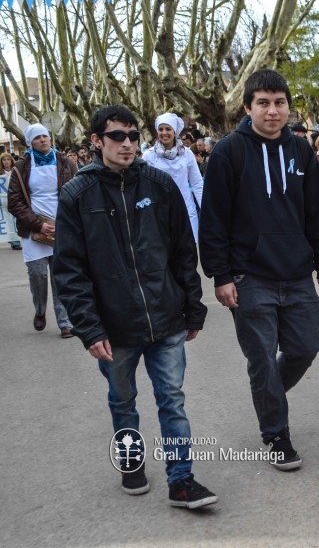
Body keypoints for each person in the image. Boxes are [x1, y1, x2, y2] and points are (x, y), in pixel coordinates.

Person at [53, 105, 216, 508]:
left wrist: (193, 307)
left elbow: (183, 252)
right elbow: (69, 270)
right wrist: (89, 329)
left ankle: (182, 480)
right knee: (122, 401)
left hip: (165, 317)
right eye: (117, 137)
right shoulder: (77, 194)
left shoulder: (159, 185)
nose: (127, 144)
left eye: (132, 136)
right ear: (96, 141)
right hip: (114, 326)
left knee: (172, 400)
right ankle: (131, 461)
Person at [199, 69, 319, 470]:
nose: (272, 111)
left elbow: (316, 214)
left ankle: (267, 393)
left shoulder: (301, 151)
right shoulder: (229, 152)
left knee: (305, 348)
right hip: (249, 276)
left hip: (296, 274)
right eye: (263, 103)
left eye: (279, 102)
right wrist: (220, 275)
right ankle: (276, 434)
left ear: (288, 107)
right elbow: (213, 221)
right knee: (261, 357)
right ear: (248, 107)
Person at [7, 123, 76, 338]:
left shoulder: (67, 163)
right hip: (34, 230)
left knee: (60, 277)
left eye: (45, 136)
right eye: (37, 138)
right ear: (30, 143)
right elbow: (14, 202)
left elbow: (79, 192)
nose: (43, 140)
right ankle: (39, 309)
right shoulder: (20, 167)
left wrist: (68, 222)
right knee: (37, 274)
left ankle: (65, 322)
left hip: (62, 228)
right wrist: (38, 224)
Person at [141, 113, 204, 242]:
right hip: (159, 212)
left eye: (168, 129)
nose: (164, 133)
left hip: (186, 211)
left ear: (174, 131)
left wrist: (206, 209)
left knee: (188, 253)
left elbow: (197, 183)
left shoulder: (187, 154)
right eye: (161, 129)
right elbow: (143, 186)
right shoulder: (148, 156)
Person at [1, 152, 22, 249]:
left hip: (15, 199)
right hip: (3, 199)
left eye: (8, 159)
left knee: (17, 219)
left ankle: (19, 238)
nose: (6, 162)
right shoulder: (1, 173)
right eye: (4, 160)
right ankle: (14, 240)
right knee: (9, 221)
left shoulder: (16, 171)